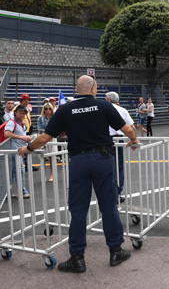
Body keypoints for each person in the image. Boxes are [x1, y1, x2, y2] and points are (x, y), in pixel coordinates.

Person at [18, 75, 139, 273]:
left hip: (79, 162)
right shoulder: (103, 106)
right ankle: (116, 251)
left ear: (77, 89)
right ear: (93, 89)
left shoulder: (66, 109)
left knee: (78, 209)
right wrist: (133, 140)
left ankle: (77, 258)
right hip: (103, 160)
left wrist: (28, 149)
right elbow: (128, 129)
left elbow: (45, 137)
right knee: (109, 206)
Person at [105, 91, 135, 196]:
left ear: (109, 100)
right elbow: (132, 127)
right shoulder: (123, 110)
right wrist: (133, 139)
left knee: (106, 166)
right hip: (118, 139)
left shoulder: (103, 109)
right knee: (119, 166)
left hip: (106, 139)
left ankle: (109, 189)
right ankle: (118, 189)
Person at [5, 105, 32, 198]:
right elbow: (7, 133)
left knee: (13, 172)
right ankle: (22, 191)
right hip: (14, 151)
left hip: (19, 151)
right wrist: (22, 137)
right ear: (15, 112)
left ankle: (8, 192)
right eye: (20, 112)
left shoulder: (23, 123)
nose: (22, 114)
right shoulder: (12, 122)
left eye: (24, 112)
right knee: (19, 171)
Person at [37, 102, 55, 182]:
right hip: (43, 139)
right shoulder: (40, 118)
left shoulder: (54, 117)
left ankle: (51, 174)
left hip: (52, 139)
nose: (48, 110)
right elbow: (39, 130)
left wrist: (47, 131)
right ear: (43, 109)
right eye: (46, 108)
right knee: (43, 157)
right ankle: (43, 175)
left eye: (49, 108)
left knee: (52, 157)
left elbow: (56, 129)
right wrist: (49, 131)